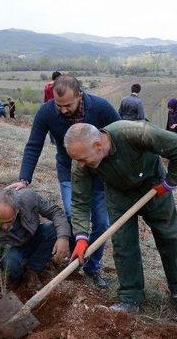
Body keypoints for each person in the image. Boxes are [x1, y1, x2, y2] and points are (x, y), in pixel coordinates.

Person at [64, 122, 177, 323]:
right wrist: (82, 236)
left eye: (83, 159)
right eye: (77, 160)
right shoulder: (80, 160)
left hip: (154, 188)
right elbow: (80, 200)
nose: (81, 164)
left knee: (168, 239)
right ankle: (130, 297)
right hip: (118, 196)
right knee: (123, 244)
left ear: (98, 146)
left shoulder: (133, 133)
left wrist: (170, 182)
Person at [7, 75, 120, 288]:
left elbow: (120, 136)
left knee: (102, 223)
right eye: (59, 105)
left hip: (100, 173)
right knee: (72, 215)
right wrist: (24, 178)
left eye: (68, 105)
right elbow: (34, 145)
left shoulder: (101, 107)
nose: (63, 110)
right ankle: (70, 257)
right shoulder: (47, 112)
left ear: (80, 95)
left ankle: (92, 266)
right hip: (69, 172)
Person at [0, 188, 70, 322]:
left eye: (9, 221)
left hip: (32, 237)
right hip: (11, 250)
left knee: (51, 230)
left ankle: (32, 270)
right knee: (11, 262)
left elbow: (55, 211)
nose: (4, 227)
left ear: (17, 210)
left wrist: (63, 237)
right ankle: (15, 280)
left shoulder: (28, 198)